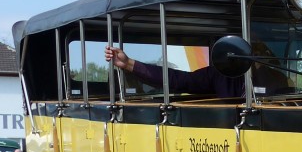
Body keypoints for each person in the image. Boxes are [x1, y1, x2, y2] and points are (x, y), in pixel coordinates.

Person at [105, 43, 289, 98]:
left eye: (261, 51)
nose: (257, 54)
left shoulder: (278, 78)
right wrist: (129, 64)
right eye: (253, 50)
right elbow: (178, 80)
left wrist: (262, 69)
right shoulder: (222, 75)